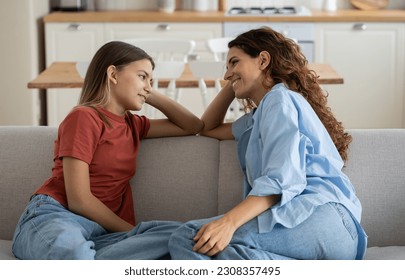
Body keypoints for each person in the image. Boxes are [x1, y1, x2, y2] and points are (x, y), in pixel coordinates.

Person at [168, 27, 368, 260]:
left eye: (234, 62)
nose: (227, 74)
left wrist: (228, 223)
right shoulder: (259, 116)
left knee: (190, 236)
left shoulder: (279, 99)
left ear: (263, 60)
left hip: (319, 216)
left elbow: (281, 180)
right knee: (225, 253)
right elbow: (208, 127)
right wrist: (233, 83)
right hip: (335, 233)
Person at [12, 41, 203, 260]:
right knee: (74, 251)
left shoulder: (134, 125)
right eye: (142, 76)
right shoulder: (84, 117)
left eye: (151, 79)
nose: (148, 85)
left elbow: (193, 126)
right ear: (113, 73)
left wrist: (147, 90)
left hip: (102, 233)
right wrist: (132, 232)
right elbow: (79, 200)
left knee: (185, 236)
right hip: (59, 217)